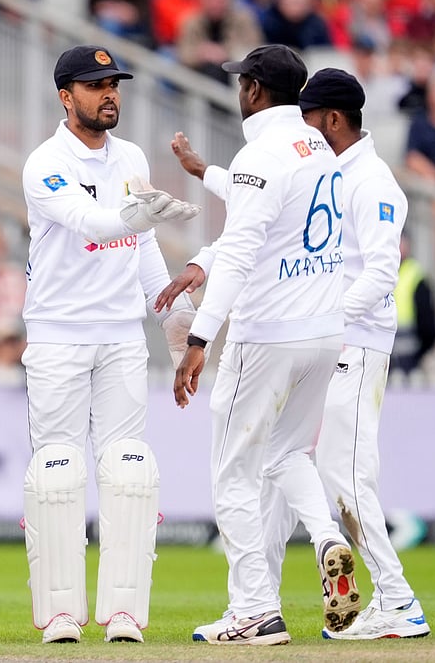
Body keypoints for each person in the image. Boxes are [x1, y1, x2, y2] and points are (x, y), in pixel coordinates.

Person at [158, 44, 358, 644]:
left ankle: (254, 611)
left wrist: (199, 338)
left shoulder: (260, 154)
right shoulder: (318, 147)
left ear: (251, 91)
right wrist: (204, 186)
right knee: (286, 455)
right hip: (325, 331)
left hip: (268, 334)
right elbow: (267, 221)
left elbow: (245, 247)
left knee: (234, 473)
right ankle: (327, 539)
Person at [20, 44, 200, 645]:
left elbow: (143, 251)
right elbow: (94, 223)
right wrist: (144, 213)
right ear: (66, 97)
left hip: (122, 337)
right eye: (95, 85)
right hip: (59, 338)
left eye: (114, 84)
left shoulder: (130, 157)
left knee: (129, 473)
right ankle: (61, 613)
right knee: (58, 475)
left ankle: (124, 612)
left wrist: (181, 330)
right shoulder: (45, 163)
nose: (109, 94)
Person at [265, 68, 430, 639]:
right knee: (284, 461)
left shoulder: (373, 183)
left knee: (348, 475)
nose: (304, 130)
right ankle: (258, 604)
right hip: (333, 344)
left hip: (355, 346)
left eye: (309, 118)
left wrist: (329, 323)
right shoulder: (335, 174)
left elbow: (383, 272)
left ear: (332, 119)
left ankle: (398, 600)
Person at [391, 233, 435, 373]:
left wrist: (420, 353)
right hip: (382, 352)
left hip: (408, 357)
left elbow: (428, 323)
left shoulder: (416, 275)